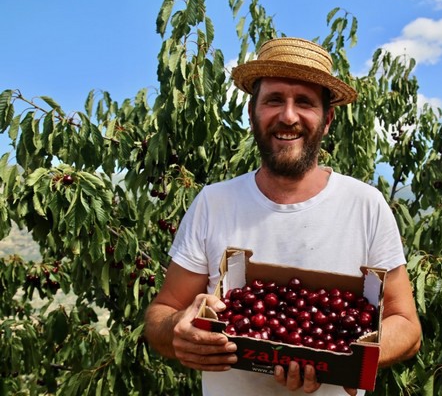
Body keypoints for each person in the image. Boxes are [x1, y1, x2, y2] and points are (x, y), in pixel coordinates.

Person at [144, 37, 421, 395]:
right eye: (274, 100)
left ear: (327, 120)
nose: (288, 116)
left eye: (304, 102)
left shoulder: (366, 205)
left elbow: (407, 327)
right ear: (252, 113)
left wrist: (341, 359)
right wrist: (177, 331)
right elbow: (162, 313)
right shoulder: (213, 203)